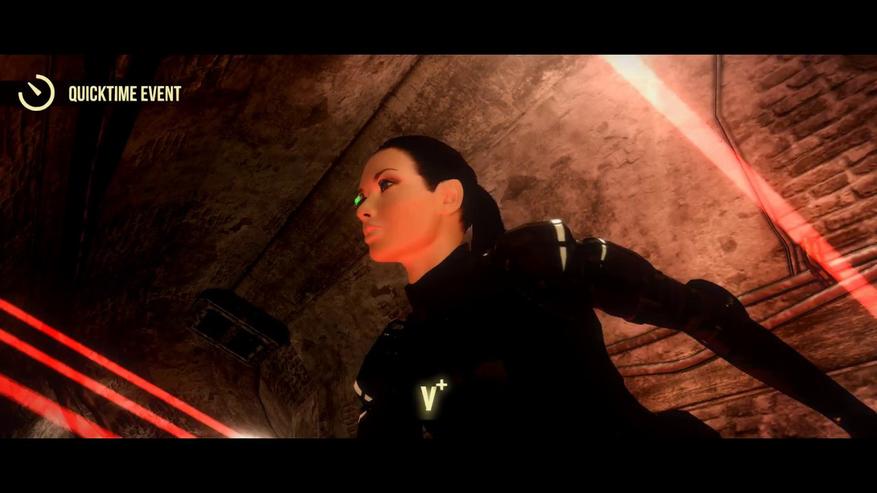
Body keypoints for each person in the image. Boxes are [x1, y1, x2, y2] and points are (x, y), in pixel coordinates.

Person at [351, 135, 877, 439]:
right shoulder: (396, 356)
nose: (363, 208)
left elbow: (716, 324)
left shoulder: (538, 265)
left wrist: (855, 418)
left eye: (386, 184)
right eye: (359, 198)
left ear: (448, 196)